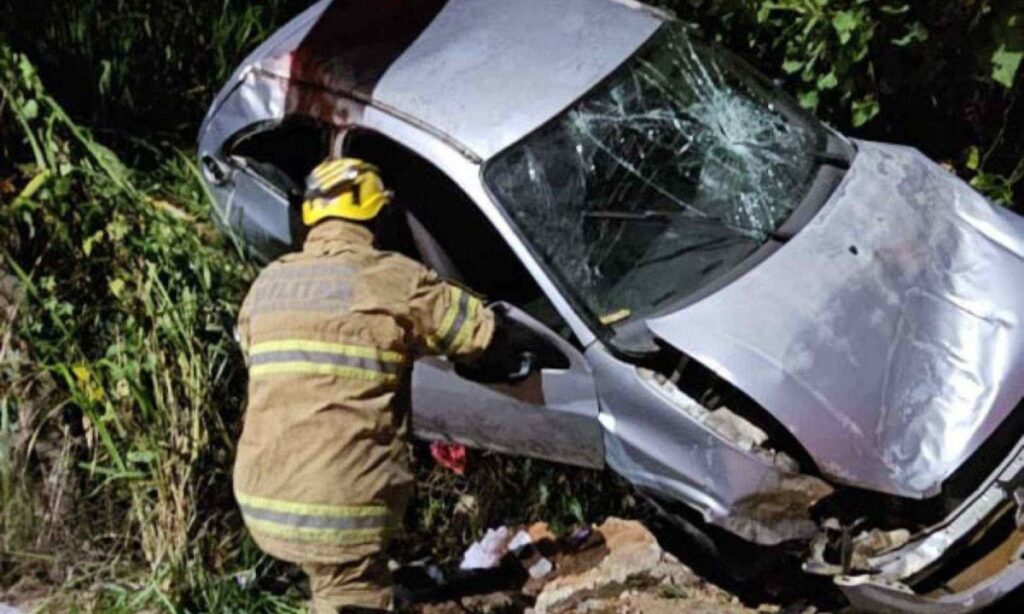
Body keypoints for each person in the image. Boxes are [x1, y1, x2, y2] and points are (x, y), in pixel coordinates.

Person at [233, 157, 525, 612]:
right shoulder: (393, 279)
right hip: (337, 507)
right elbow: (481, 336)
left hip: (263, 496)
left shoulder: (265, 286)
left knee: (328, 579)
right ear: (379, 216)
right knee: (350, 597)